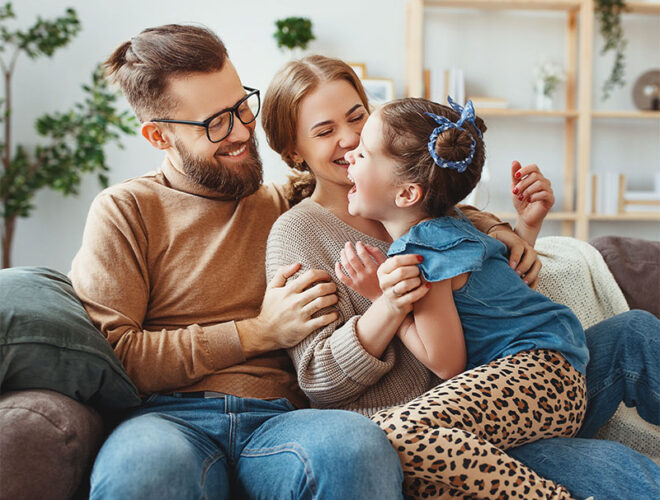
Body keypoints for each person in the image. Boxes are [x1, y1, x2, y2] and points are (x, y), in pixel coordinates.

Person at [262, 55, 660, 499]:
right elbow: (319, 378)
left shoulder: (428, 210)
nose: (350, 138)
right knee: (623, 473)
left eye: (358, 117)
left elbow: (495, 296)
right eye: (325, 131)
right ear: (293, 151)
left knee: (636, 331)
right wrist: (388, 304)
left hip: (507, 390)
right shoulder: (298, 233)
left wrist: (522, 230)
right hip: (435, 432)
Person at [69, 24, 406, 499]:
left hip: (281, 421)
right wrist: (258, 332)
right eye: (215, 123)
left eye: (242, 106)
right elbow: (116, 356)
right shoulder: (126, 210)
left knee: (355, 447)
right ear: (158, 136)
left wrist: (495, 228)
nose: (243, 132)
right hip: (166, 418)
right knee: (144, 472)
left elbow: (395, 195)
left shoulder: (286, 201)